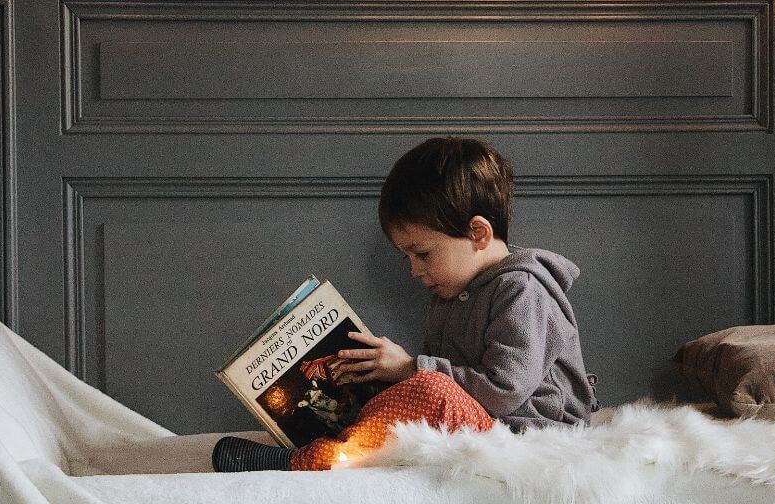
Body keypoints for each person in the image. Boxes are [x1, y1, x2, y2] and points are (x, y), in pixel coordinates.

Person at [212, 136, 597, 472]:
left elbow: (503, 390)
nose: (415, 271)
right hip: (482, 424)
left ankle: (306, 461)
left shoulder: (522, 289)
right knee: (391, 387)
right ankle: (330, 440)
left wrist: (412, 368)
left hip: (530, 436)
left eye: (423, 254)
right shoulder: (450, 294)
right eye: (406, 258)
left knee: (430, 392)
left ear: (478, 233)